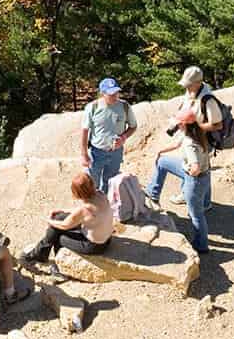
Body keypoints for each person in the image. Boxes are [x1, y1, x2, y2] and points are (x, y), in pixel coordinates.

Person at [144, 65, 222, 254]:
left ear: (197, 82)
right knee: (164, 162)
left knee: (195, 214)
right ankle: (152, 195)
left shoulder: (207, 102)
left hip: (194, 176)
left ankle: (201, 245)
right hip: (197, 167)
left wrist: (190, 171)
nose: (186, 88)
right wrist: (163, 150)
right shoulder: (193, 136)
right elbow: (182, 143)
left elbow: (195, 164)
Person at [18, 172, 115, 263]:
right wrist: (62, 211)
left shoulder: (85, 210)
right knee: (59, 217)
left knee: (57, 235)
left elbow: (65, 226)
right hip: (106, 239)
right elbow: (80, 214)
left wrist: (49, 221)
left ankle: (54, 264)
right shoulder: (100, 194)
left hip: (94, 246)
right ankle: (40, 254)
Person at [80, 77, 137, 192]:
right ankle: (93, 207)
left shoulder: (125, 106)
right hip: (97, 152)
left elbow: (133, 126)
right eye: (111, 93)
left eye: (116, 92)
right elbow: (84, 131)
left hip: (116, 153)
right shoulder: (93, 107)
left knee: (110, 183)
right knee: (92, 183)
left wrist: (123, 137)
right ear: (102, 93)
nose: (114, 96)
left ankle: (106, 205)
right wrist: (84, 154)